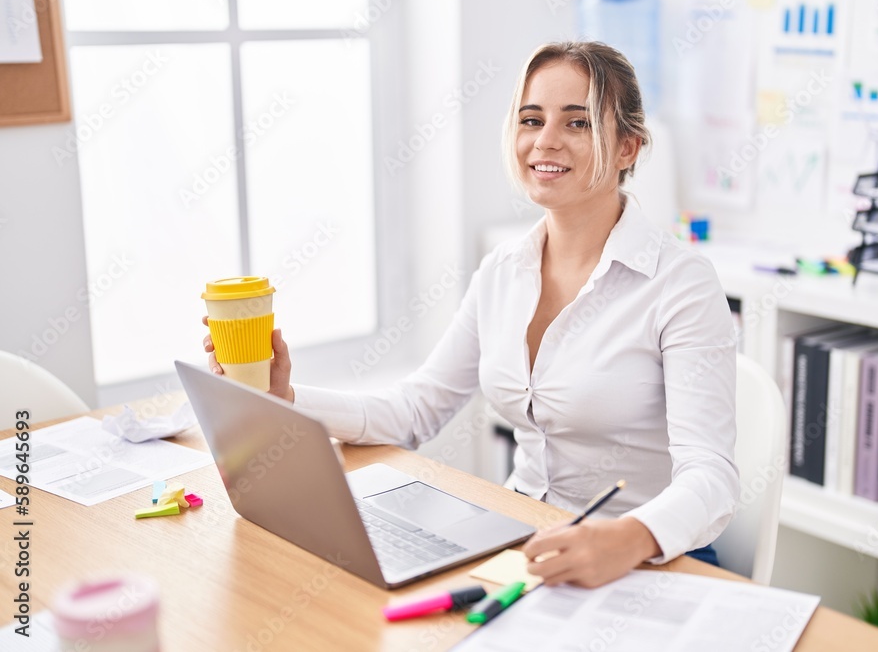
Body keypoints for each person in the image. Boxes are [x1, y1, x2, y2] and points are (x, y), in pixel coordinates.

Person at [204, 41, 739, 589]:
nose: (544, 141)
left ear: (628, 147)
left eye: (577, 123)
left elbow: (712, 476)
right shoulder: (503, 271)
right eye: (531, 119)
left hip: (649, 561)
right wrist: (284, 398)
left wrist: (627, 537)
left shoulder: (680, 286)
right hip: (527, 545)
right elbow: (415, 410)